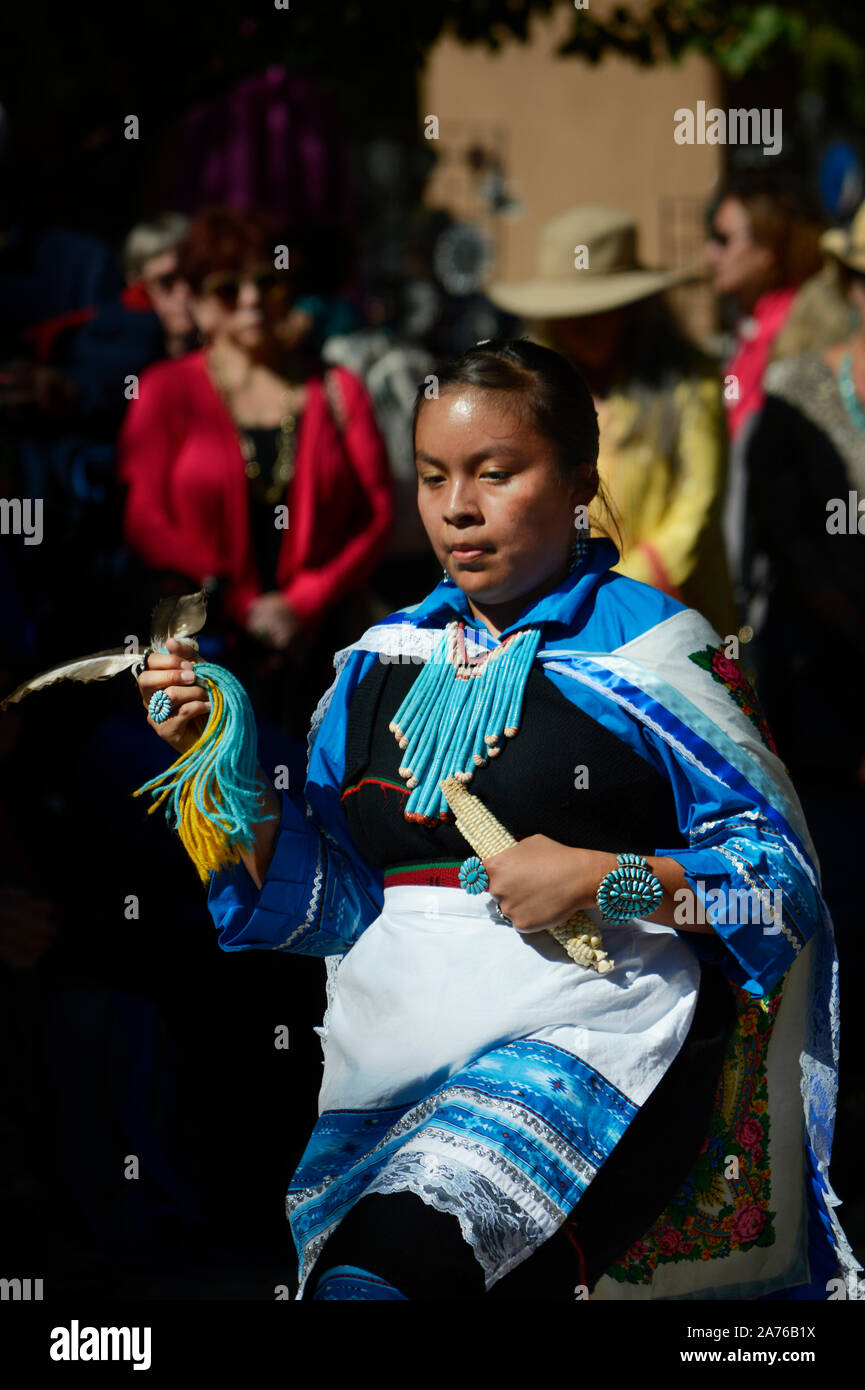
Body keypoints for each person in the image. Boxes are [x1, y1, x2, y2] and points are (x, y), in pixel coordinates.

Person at [135, 338, 853, 1301]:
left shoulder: (654, 655)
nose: (456, 509)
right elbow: (339, 902)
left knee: (385, 1278)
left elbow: (776, 887)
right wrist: (221, 767)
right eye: (433, 478)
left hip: (595, 1051)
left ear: (577, 479)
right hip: (393, 1063)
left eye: (495, 473)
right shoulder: (375, 664)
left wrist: (604, 878)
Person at [118, 205, 395, 732]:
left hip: (321, 654)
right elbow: (145, 519)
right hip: (201, 654)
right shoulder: (164, 391)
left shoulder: (338, 390)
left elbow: (377, 514)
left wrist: (303, 602)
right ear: (198, 303)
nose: (250, 300)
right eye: (227, 289)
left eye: (267, 282)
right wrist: (242, 602)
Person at [487, 205, 738, 639]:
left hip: (672, 614)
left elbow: (699, 503)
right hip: (558, 616)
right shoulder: (535, 393)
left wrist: (616, 584)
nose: (582, 326)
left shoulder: (689, 384)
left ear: (635, 309)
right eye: (570, 313)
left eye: (599, 310)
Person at [122, 213, 197, 359]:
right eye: (166, 281)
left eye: (192, 276)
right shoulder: (118, 362)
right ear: (137, 285)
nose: (184, 291)